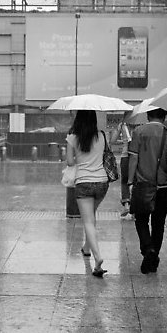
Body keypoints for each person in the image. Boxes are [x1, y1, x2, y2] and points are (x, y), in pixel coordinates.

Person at [127, 108, 167, 274]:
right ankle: (154, 254)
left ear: (148, 115)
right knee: (158, 223)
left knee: (141, 220)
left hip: (143, 184)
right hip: (163, 186)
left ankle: (148, 249)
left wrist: (130, 181)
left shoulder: (139, 131)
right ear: (165, 116)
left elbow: (133, 158)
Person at [66, 110, 109, 277]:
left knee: (88, 221)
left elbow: (70, 162)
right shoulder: (101, 136)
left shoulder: (72, 137)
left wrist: (79, 157)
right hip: (102, 183)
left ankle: (98, 259)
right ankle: (86, 247)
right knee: (91, 216)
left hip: (84, 182)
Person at [110, 119, 134, 219]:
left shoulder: (123, 124)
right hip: (137, 156)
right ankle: (135, 209)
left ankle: (126, 205)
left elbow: (112, 141)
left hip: (125, 156)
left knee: (125, 181)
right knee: (136, 181)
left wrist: (123, 141)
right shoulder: (142, 125)